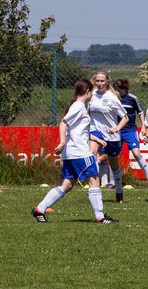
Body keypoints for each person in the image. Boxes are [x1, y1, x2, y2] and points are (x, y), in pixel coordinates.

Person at [32, 80, 118, 224]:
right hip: (80, 152)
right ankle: (100, 217)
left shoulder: (78, 106)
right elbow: (64, 123)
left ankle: (40, 209)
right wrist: (62, 142)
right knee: (94, 180)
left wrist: (96, 139)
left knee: (67, 185)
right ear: (87, 92)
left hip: (70, 154)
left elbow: (78, 130)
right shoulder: (78, 106)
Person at [88, 71, 129, 202]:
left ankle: (119, 191)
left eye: (102, 81)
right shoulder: (91, 95)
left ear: (107, 82)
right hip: (95, 132)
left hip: (112, 136)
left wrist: (117, 128)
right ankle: (95, 189)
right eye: (97, 81)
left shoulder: (112, 97)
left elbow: (125, 117)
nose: (99, 83)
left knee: (114, 165)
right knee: (91, 154)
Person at [114, 78, 148, 189]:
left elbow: (140, 112)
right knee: (113, 156)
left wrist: (143, 126)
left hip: (130, 130)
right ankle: (113, 181)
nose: (115, 90)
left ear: (123, 89)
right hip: (116, 131)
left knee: (137, 153)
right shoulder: (113, 98)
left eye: (117, 88)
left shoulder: (132, 98)